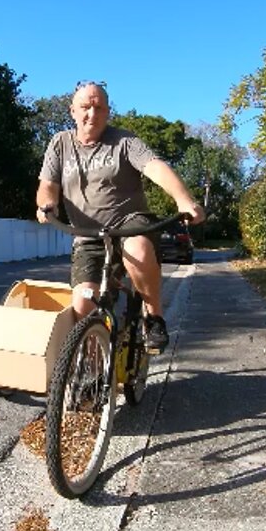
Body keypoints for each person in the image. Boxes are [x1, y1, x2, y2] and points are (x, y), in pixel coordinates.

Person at [36, 80, 205, 353]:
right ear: (72, 111)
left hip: (129, 224)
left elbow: (155, 167)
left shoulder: (124, 142)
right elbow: (47, 186)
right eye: (85, 107)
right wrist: (47, 205)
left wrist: (184, 199)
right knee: (82, 305)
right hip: (88, 236)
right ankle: (94, 369)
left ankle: (153, 317)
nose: (92, 114)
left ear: (108, 112)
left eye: (99, 107)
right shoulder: (60, 143)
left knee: (137, 248)